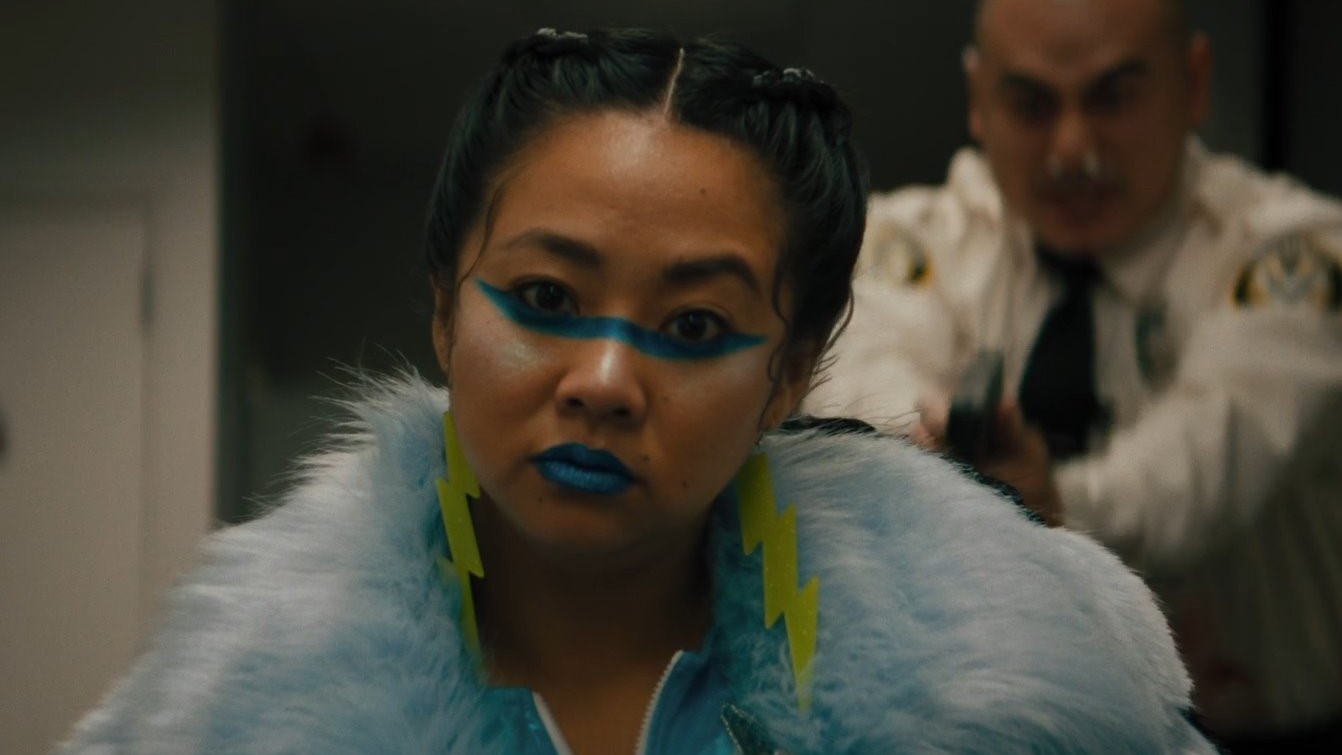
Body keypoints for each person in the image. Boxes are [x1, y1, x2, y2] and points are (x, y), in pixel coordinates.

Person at [59, 27, 1211, 754]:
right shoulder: (237, 700)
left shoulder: (1002, 684)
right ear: (445, 308)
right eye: (545, 298)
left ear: (788, 371)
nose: (605, 381)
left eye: (695, 325)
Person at [806, 0, 1342, 750]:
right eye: (1031, 105)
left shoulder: (1295, 253)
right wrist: (939, 457)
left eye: (1113, 98)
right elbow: (859, 395)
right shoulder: (908, 239)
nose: (1072, 149)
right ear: (978, 101)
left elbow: (1206, 466)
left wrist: (1042, 508)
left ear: (1193, 84)